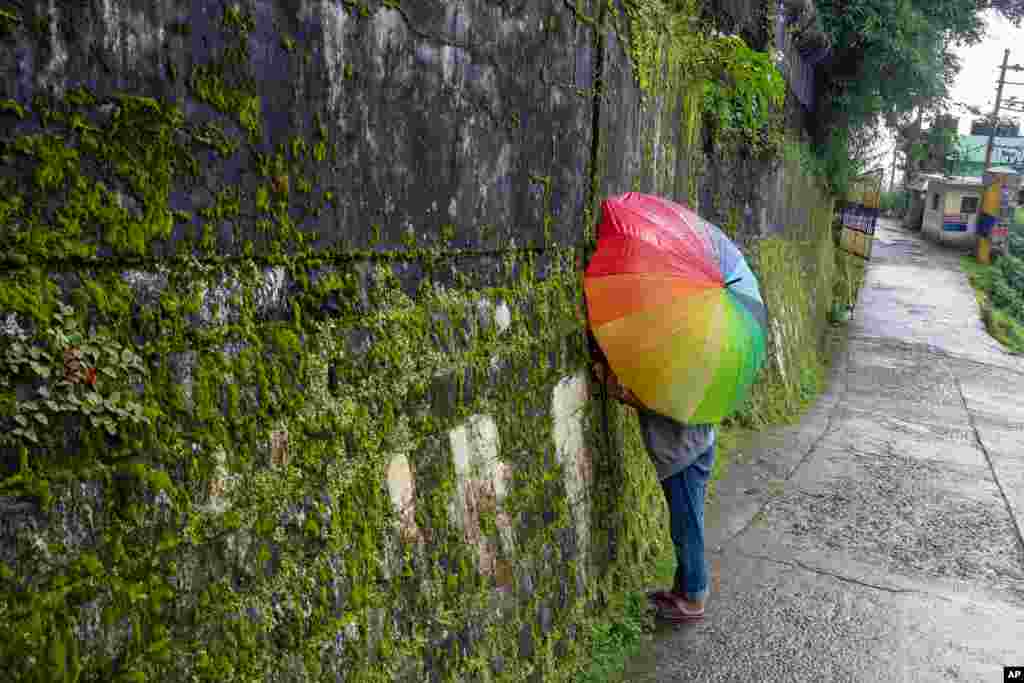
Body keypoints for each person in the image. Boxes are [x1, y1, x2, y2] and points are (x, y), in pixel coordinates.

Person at [588, 330, 714, 623]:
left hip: (684, 452)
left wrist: (616, 389)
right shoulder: (699, 347)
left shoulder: (679, 358)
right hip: (698, 443)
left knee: (686, 528)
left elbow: (662, 402)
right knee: (688, 521)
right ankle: (684, 588)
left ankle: (694, 598)